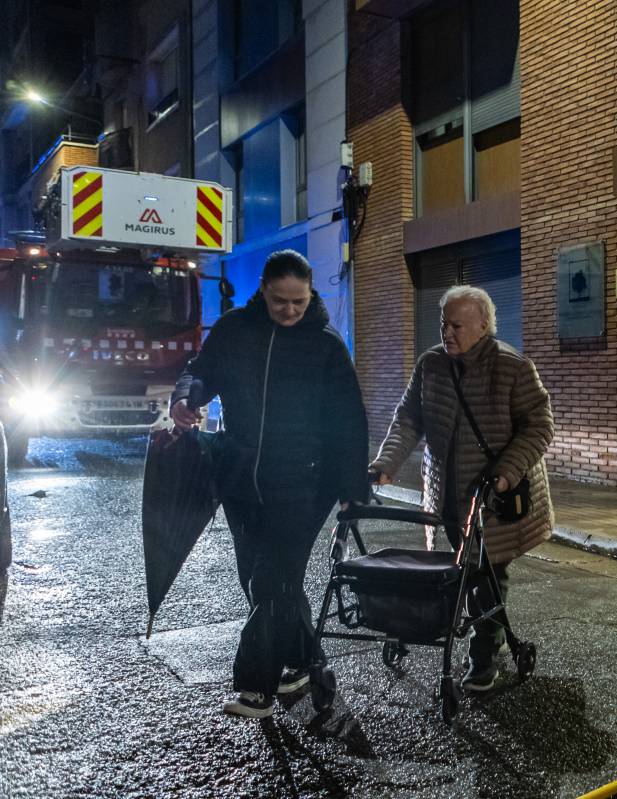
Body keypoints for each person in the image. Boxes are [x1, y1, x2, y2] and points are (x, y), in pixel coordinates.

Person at [170, 249, 369, 718]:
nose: (289, 311)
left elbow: (349, 420)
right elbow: (201, 370)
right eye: (280, 301)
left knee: (273, 578)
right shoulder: (235, 330)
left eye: (298, 302)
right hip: (242, 480)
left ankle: (255, 687)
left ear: (310, 292)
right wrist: (187, 397)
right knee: (260, 581)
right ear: (263, 289)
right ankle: (304, 661)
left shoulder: (324, 344)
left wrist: (351, 487)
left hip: (304, 483)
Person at [368, 285, 554, 692]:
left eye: (456, 325)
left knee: (487, 572)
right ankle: (488, 636)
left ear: (484, 325)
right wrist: (386, 464)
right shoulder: (430, 364)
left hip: (495, 497)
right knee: (465, 571)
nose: (446, 333)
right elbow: (408, 420)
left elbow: (540, 426)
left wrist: (505, 472)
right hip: (447, 495)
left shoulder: (513, 367)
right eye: (442, 324)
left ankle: (484, 653)